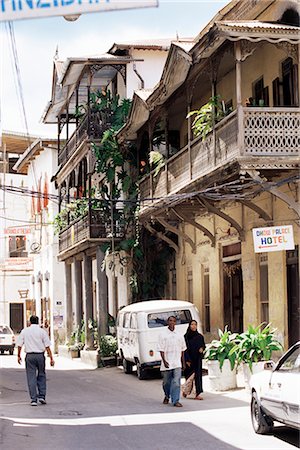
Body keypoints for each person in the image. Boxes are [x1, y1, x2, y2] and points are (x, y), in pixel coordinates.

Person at [17, 315, 55, 406]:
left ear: (30, 322)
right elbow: (47, 346)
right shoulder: (42, 332)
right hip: (40, 356)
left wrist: (18, 355)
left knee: (31, 377)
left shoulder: (25, 331)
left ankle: (33, 399)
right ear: (38, 322)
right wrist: (51, 358)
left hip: (29, 356)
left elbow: (19, 345)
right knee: (41, 375)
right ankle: (42, 396)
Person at [158, 316, 186, 407]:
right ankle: (167, 395)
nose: (172, 322)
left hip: (177, 362)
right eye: (170, 321)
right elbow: (161, 349)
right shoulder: (162, 334)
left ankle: (175, 400)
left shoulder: (179, 335)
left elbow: (182, 350)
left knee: (176, 382)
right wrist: (164, 361)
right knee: (166, 382)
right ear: (167, 322)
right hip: (167, 362)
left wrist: (183, 362)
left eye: (174, 321)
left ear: (175, 323)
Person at [183, 320, 205, 400]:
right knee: (189, 377)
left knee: (198, 377)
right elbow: (184, 349)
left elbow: (203, 345)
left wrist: (202, 349)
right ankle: (186, 391)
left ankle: (197, 394)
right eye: (192, 324)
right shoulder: (186, 337)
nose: (194, 326)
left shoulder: (200, 336)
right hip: (189, 360)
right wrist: (187, 360)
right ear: (189, 326)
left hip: (197, 360)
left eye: (195, 324)